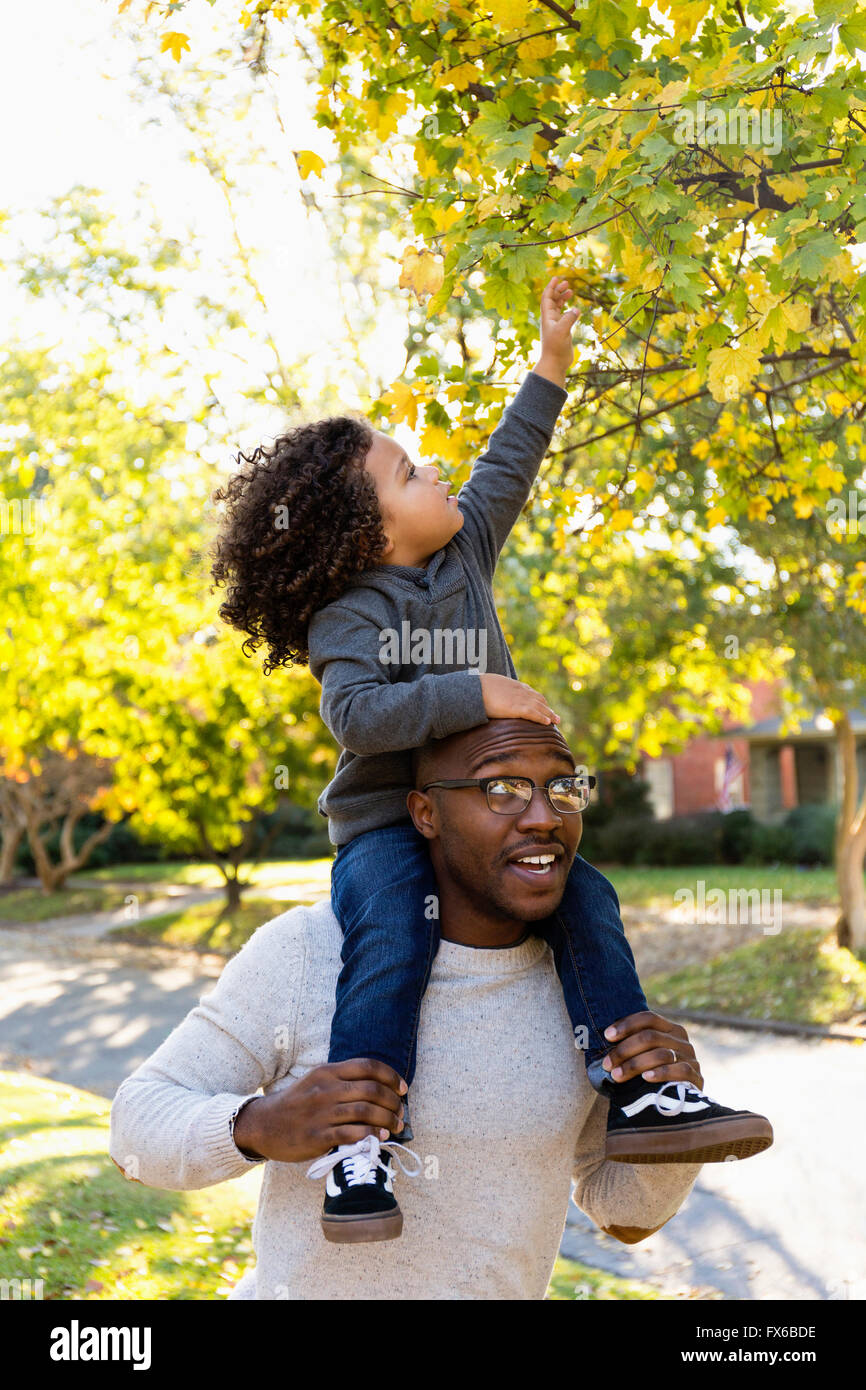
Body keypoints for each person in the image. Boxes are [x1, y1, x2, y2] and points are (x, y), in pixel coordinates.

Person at [208, 277, 772, 1243]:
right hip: (390, 822)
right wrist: (478, 691)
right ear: (368, 533)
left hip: (488, 813)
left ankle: (635, 1096)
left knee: (589, 902)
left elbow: (509, 461)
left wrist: (551, 362)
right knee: (393, 939)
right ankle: (364, 1146)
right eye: (409, 472)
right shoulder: (351, 615)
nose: (435, 473)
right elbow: (357, 715)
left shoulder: (463, 554)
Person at [110, 717, 772, 1300]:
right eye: (501, 788)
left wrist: (672, 1115)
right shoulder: (309, 951)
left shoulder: (585, 983)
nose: (543, 815)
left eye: (562, 786)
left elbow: (623, 1215)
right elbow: (136, 1127)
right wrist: (257, 1126)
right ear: (425, 814)